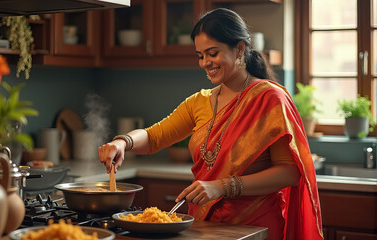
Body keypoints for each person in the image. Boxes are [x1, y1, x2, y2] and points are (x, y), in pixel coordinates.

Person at [98, 8, 323, 240]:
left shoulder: (270, 99)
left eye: (212, 53)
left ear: (239, 49)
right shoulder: (200, 101)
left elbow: (290, 172)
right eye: (200, 55)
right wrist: (122, 142)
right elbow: (154, 136)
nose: (205, 63)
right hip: (204, 227)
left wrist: (222, 186)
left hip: (253, 228)